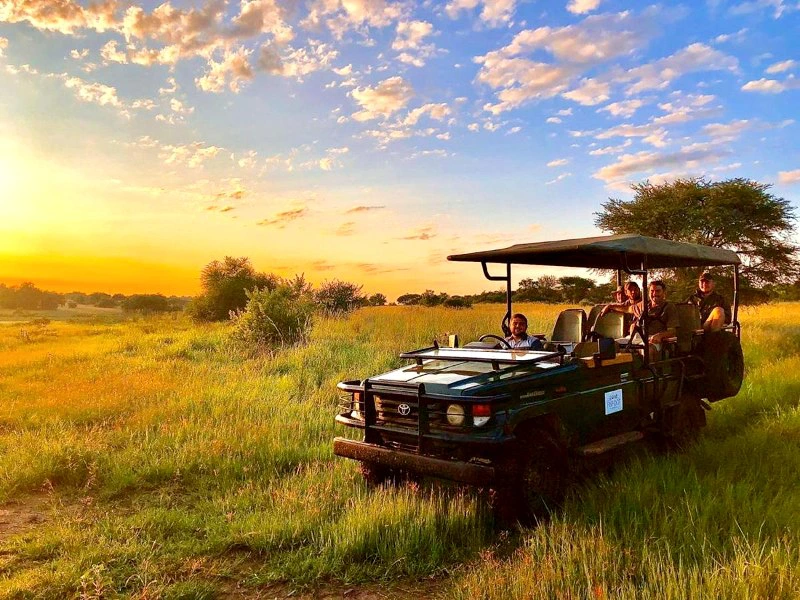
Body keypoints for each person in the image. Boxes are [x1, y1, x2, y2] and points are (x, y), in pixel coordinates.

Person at [632, 280, 679, 356]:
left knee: (647, 350)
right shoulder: (644, 306)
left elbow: (672, 331)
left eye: (658, 291)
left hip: (656, 341)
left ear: (664, 293)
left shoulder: (669, 307)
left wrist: (660, 335)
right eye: (652, 291)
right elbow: (628, 308)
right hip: (638, 338)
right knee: (615, 344)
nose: (654, 294)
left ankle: (648, 368)